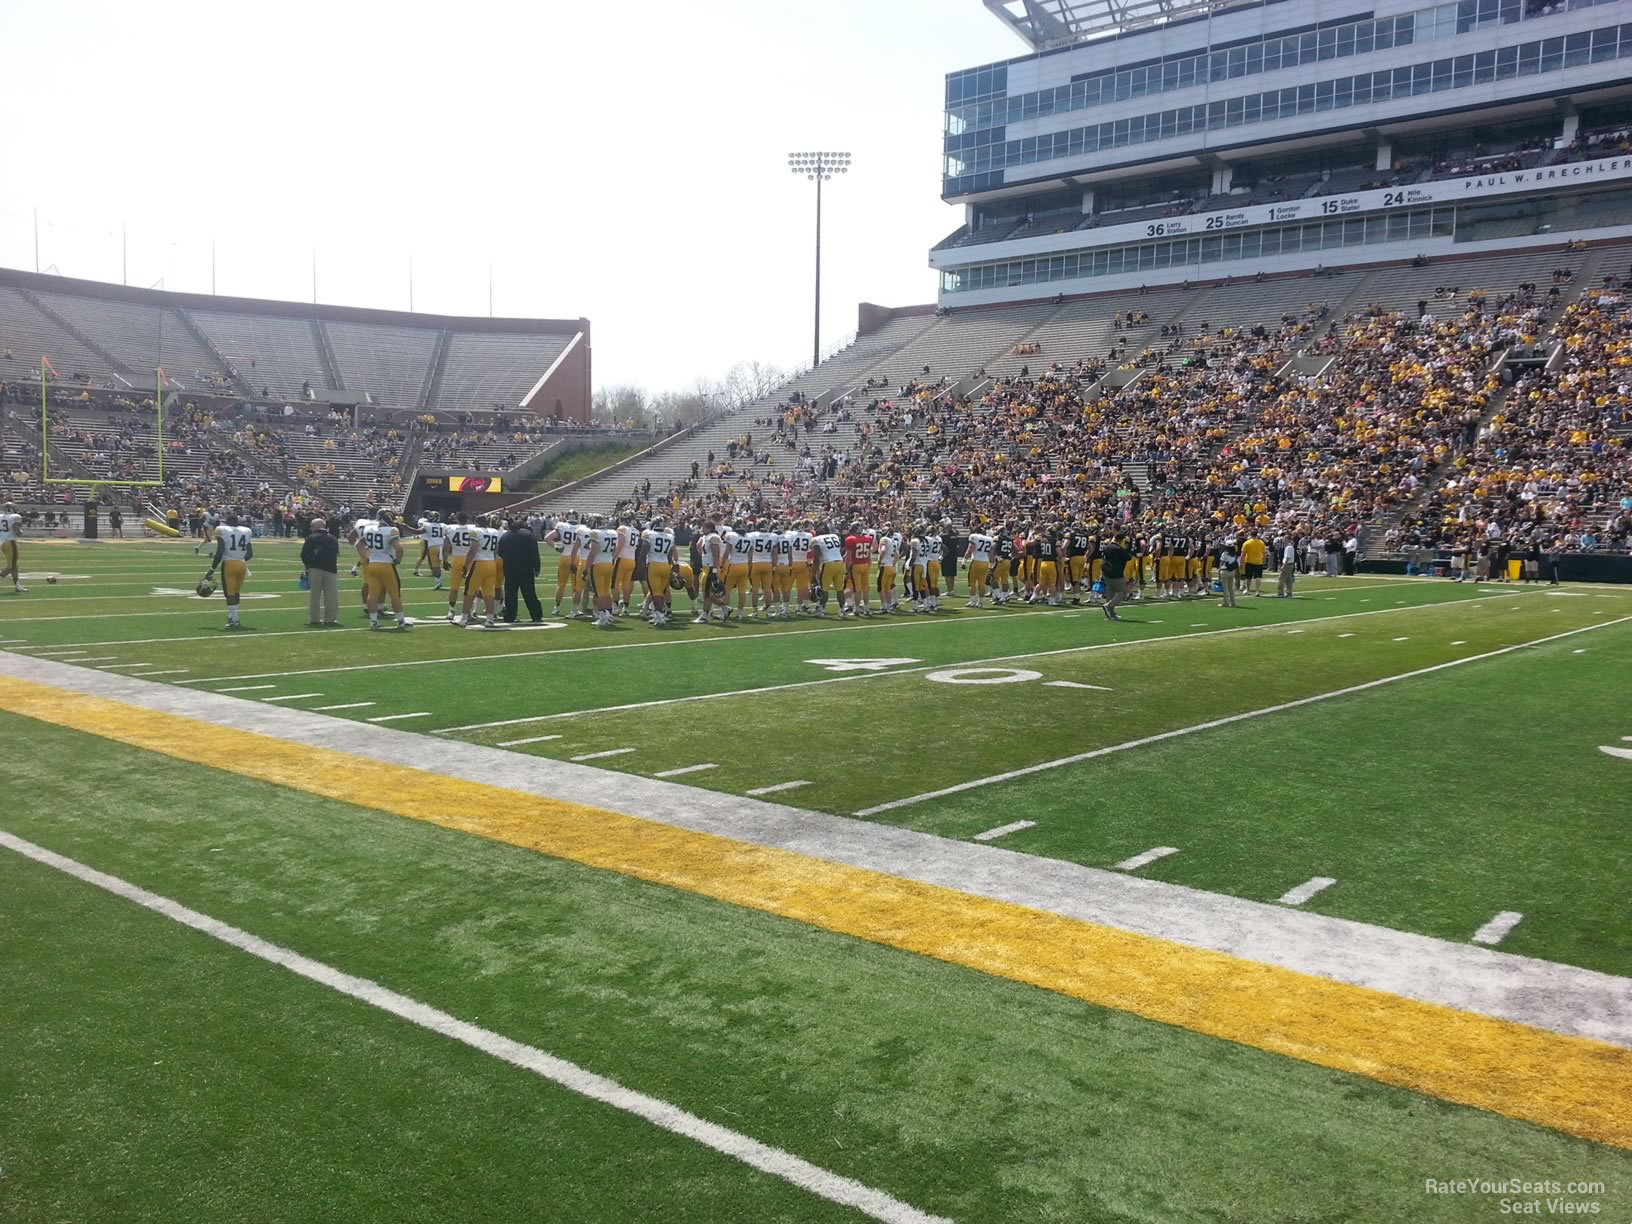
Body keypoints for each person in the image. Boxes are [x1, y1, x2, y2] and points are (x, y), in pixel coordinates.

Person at [358, 510, 410, 631]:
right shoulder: (391, 530)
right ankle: (401, 621)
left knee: (372, 595)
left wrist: (366, 557)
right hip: (386, 564)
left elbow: (359, 545)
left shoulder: (368, 529)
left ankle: (373, 621)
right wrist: (398, 560)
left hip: (372, 564)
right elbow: (399, 548)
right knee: (394, 594)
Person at [205, 511, 253, 629]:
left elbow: (220, 551)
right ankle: (233, 617)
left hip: (229, 564)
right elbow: (250, 554)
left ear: (227, 522)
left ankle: (233, 620)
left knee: (229, 594)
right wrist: (240, 559)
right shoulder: (246, 531)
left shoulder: (222, 530)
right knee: (236, 593)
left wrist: (212, 569)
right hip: (242, 564)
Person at [460, 514, 502, 629]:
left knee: (469, 591)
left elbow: (472, 550)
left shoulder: (475, 531)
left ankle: (464, 618)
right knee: (489, 592)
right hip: (491, 563)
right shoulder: (494, 531)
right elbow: (495, 550)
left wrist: (465, 565)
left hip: (479, 563)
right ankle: (490, 619)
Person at [499, 516, 544, 624]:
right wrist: (537, 567)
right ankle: (536, 615)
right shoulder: (528, 535)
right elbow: (534, 554)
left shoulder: (505, 536)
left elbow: (500, 553)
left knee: (510, 594)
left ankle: (510, 616)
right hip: (526, 568)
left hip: (509, 568)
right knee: (529, 593)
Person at [301, 518, 341, 625]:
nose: (311, 528)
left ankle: (314, 618)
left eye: (312, 525)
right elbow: (336, 554)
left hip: (315, 569)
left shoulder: (311, 538)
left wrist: (307, 568)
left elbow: (304, 555)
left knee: (315, 596)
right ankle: (330, 618)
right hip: (331, 569)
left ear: (317, 526)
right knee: (331, 596)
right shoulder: (333, 538)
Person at [1099, 534, 1132, 620]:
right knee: (1124, 592)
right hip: (1116, 573)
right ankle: (1109, 606)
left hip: (1106, 572)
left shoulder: (1107, 546)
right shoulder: (1118, 548)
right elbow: (1128, 557)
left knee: (1111, 593)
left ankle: (1111, 614)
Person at [0, 502, 24, 593]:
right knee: (12, 566)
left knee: (14, 566)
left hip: (1, 542)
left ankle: (18, 586)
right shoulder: (15, 517)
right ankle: (2, 575)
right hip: (11, 542)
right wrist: (21, 531)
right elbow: (18, 532)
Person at [1240, 529, 1267, 596]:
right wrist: (1263, 560)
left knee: (1248, 577)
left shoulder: (1247, 543)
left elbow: (1243, 554)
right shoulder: (1261, 542)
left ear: (1251, 535)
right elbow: (1264, 553)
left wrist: (1241, 562)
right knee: (1258, 577)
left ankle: (1247, 590)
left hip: (1249, 561)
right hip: (1259, 561)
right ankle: (1257, 591)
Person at [1217, 538, 1241, 607]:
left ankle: (1225, 603)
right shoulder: (1234, 554)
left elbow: (1221, 564)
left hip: (1224, 571)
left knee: (1225, 588)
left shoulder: (1224, 554)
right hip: (1232, 571)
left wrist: (1219, 573)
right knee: (1231, 588)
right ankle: (1233, 602)